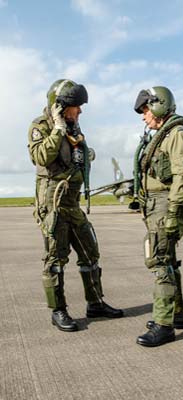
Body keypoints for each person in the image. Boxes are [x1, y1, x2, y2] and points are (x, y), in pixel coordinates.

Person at [28, 79, 123, 332]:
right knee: (55, 259)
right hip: (54, 203)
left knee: (90, 253)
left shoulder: (75, 130)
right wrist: (58, 130)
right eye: (75, 107)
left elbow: (79, 160)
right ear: (60, 107)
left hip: (73, 203)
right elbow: (40, 157)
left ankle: (95, 303)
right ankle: (58, 310)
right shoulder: (42, 126)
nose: (79, 111)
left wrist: (85, 151)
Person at [133, 86, 183, 346]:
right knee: (168, 259)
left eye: (146, 110)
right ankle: (174, 314)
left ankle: (163, 325)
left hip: (165, 204)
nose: (143, 116)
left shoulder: (177, 135)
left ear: (159, 105)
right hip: (155, 204)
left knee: (159, 262)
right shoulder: (162, 135)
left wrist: (172, 212)